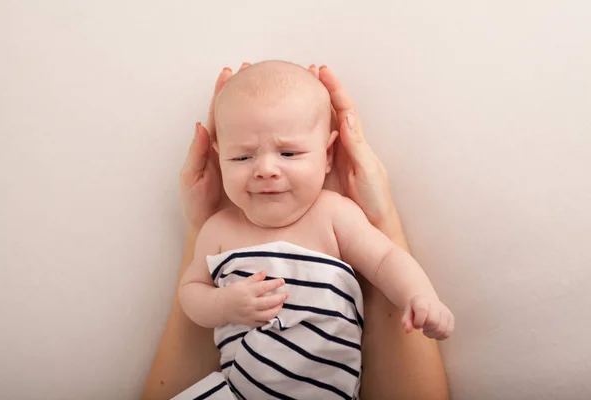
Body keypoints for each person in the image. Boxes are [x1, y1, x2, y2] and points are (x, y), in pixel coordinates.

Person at [143, 63, 451, 400]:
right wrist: (222, 304)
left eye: (288, 153)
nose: (265, 170)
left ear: (329, 154)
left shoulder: (333, 215)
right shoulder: (219, 228)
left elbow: (387, 259)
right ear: (218, 158)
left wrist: (420, 296)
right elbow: (191, 291)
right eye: (242, 157)